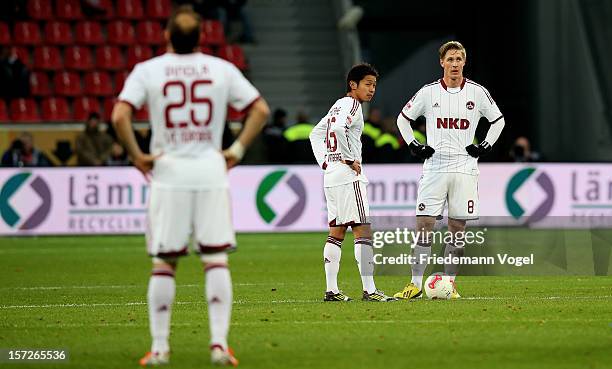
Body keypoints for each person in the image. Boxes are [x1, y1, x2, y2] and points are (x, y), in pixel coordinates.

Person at [111, 5, 269, 367]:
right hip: (211, 171)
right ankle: (218, 346)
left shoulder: (147, 71)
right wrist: (237, 149)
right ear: (201, 38)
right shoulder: (221, 69)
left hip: (168, 172)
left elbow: (120, 114)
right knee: (215, 260)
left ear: (166, 35)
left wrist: (137, 155)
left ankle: (161, 348)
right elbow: (259, 109)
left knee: (164, 263)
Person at [394, 41, 505, 299]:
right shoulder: (428, 92)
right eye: (450, 59)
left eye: (459, 59)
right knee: (424, 224)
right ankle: (414, 284)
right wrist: (414, 145)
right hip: (435, 167)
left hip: (465, 168)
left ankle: (449, 284)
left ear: (464, 62)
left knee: (457, 229)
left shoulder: (477, 93)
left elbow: (498, 120)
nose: (455, 64)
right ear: (441, 62)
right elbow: (403, 119)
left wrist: (485, 145)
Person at [309, 63, 395, 302]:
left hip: (331, 175)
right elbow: (336, 128)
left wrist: (326, 162)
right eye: (367, 84)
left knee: (336, 232)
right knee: (362, 230)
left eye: (374, 85)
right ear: (353, 85)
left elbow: (315, 133)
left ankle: (332, 290)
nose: (372, 90)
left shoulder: (337, 104)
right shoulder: (353, 105)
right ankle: (369, 290)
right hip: (347, 175)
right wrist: (347, 158)